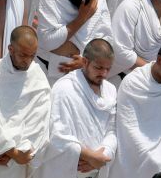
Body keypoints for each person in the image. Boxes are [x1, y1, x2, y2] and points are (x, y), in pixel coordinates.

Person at [0, 26, 50, 177]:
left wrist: (20, 152)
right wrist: (7, 149)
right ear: (10, 49)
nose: (28, 61)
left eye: (32, 56)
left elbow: (40, 121)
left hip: (16, 162)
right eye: (23, 55)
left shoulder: (38, 77)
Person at [109, 40, 161, 178]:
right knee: (156, 164)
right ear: (160, 59)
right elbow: (127, 127)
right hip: (138, 148)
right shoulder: (133, 82)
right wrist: (150, 154)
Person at [35, 38, 117, 177]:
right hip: (69, 169)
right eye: (98, 67)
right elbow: (57, 135)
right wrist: (90, 156)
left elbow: (113, 130)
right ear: (84, 62)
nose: (103, 74)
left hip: (97, 169)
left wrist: (103, 155)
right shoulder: (64, 88)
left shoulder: (111, 90)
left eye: (107, 69)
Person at [34, 0, 112, 82]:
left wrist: (86, 61)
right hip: (47, 68)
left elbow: (106, 37)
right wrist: (82, 18)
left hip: (82, 71)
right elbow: (47, 41)